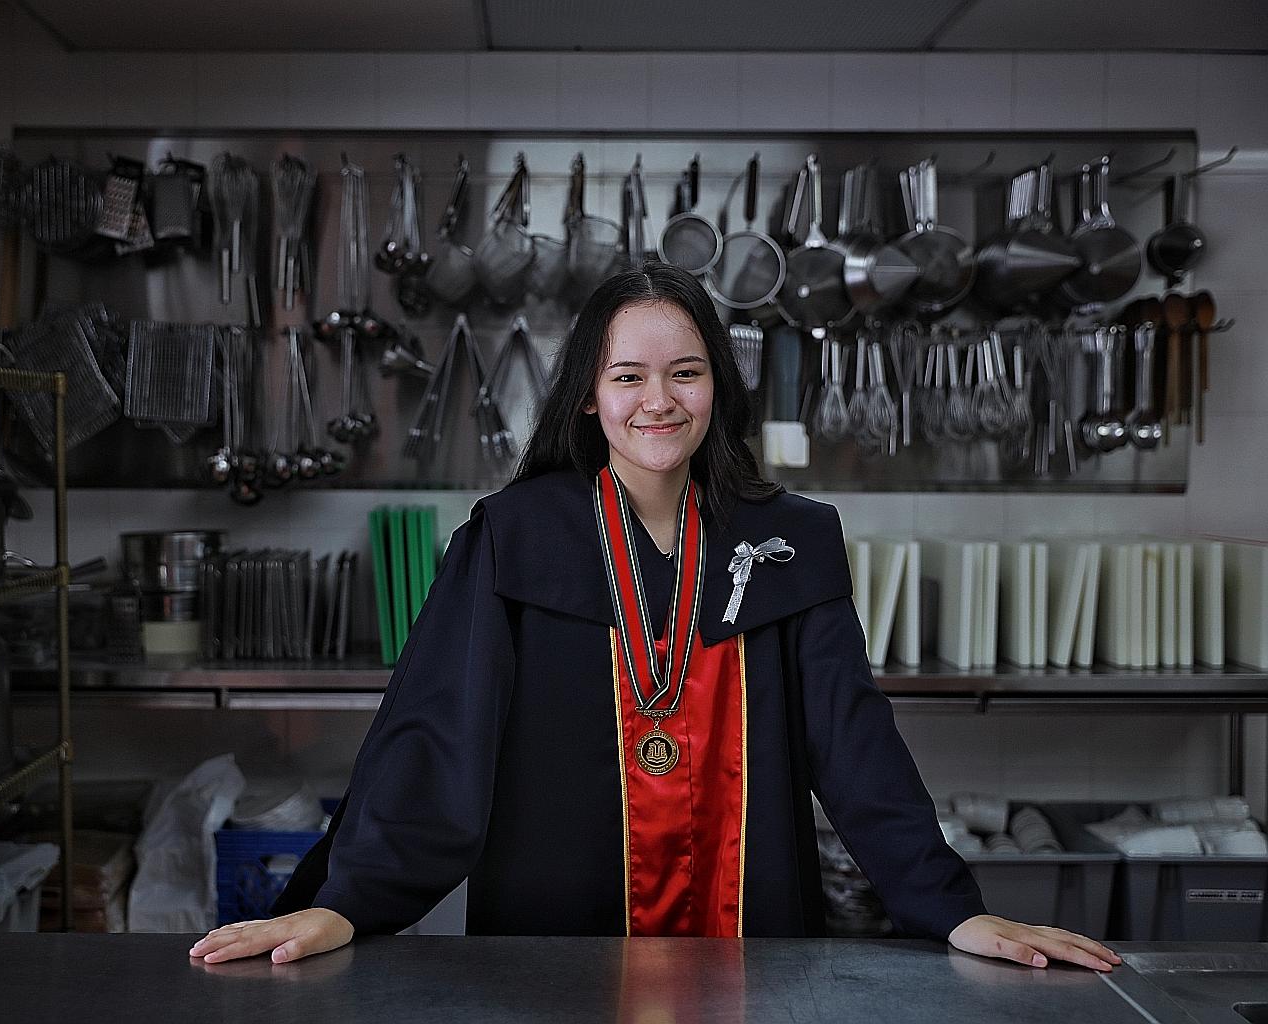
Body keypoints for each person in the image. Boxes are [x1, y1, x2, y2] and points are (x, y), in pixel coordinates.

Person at [190, 262, 1121, 973]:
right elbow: (438, 734)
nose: (658, 401)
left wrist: (949, 906)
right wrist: (346, 903)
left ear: (718, 385)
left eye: (685, 372)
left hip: (753, 936)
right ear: (590, 395)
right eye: (628, 376)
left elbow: (855, 743)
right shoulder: (514, 540)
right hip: (555, 948)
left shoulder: (789, 541)